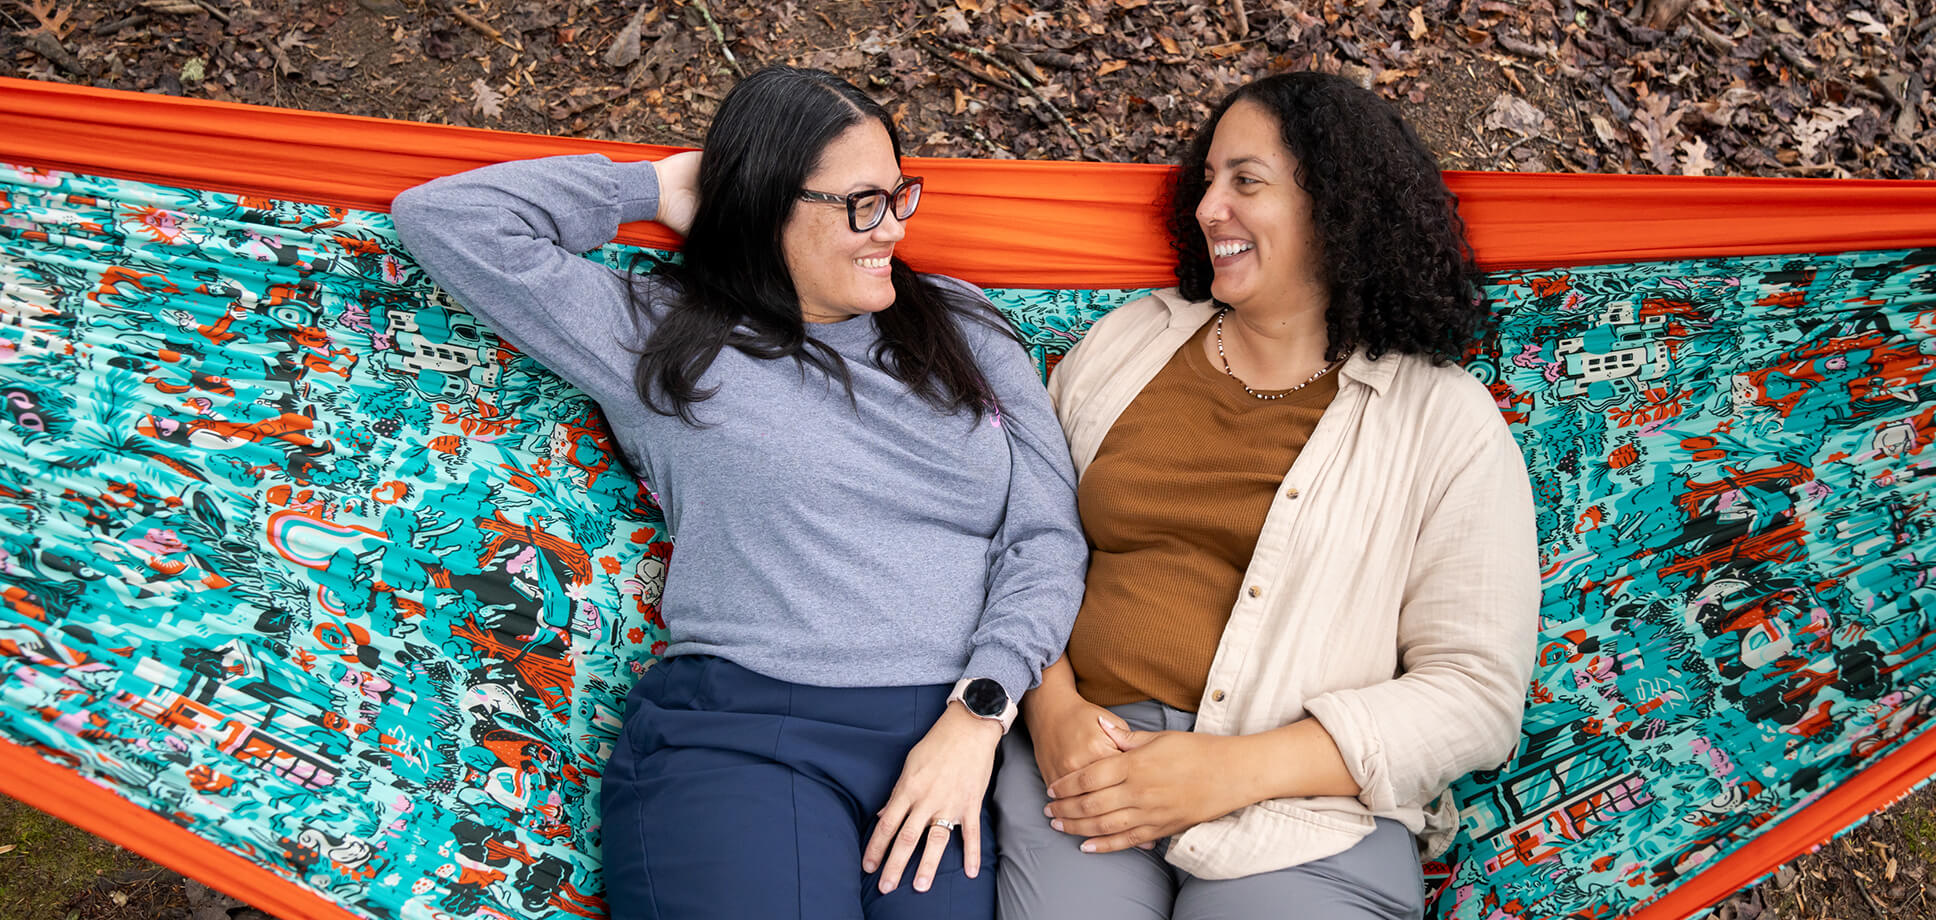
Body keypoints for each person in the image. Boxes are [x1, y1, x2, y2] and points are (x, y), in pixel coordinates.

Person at [391, 65, 1087, 920]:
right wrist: (650, 186)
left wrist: (981, 712)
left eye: (900, 193)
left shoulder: (962, 324)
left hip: (950, 740)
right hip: (749, 736)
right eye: (860, 204)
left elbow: (1047, 538)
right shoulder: (659, 335)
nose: (893, 229)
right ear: (763, 204)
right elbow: (446, 220)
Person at [993, 71, 1540, 919]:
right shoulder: (1130, 343)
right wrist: (1052, 707)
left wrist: (1231, 769)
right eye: (1207, 181)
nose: (1211, 207)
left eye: (1246, 182)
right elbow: (1020, 539)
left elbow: (1475, 697)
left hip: (1303, 812)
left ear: (1340, 210)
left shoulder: (1442, 420)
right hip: (1083, 771)